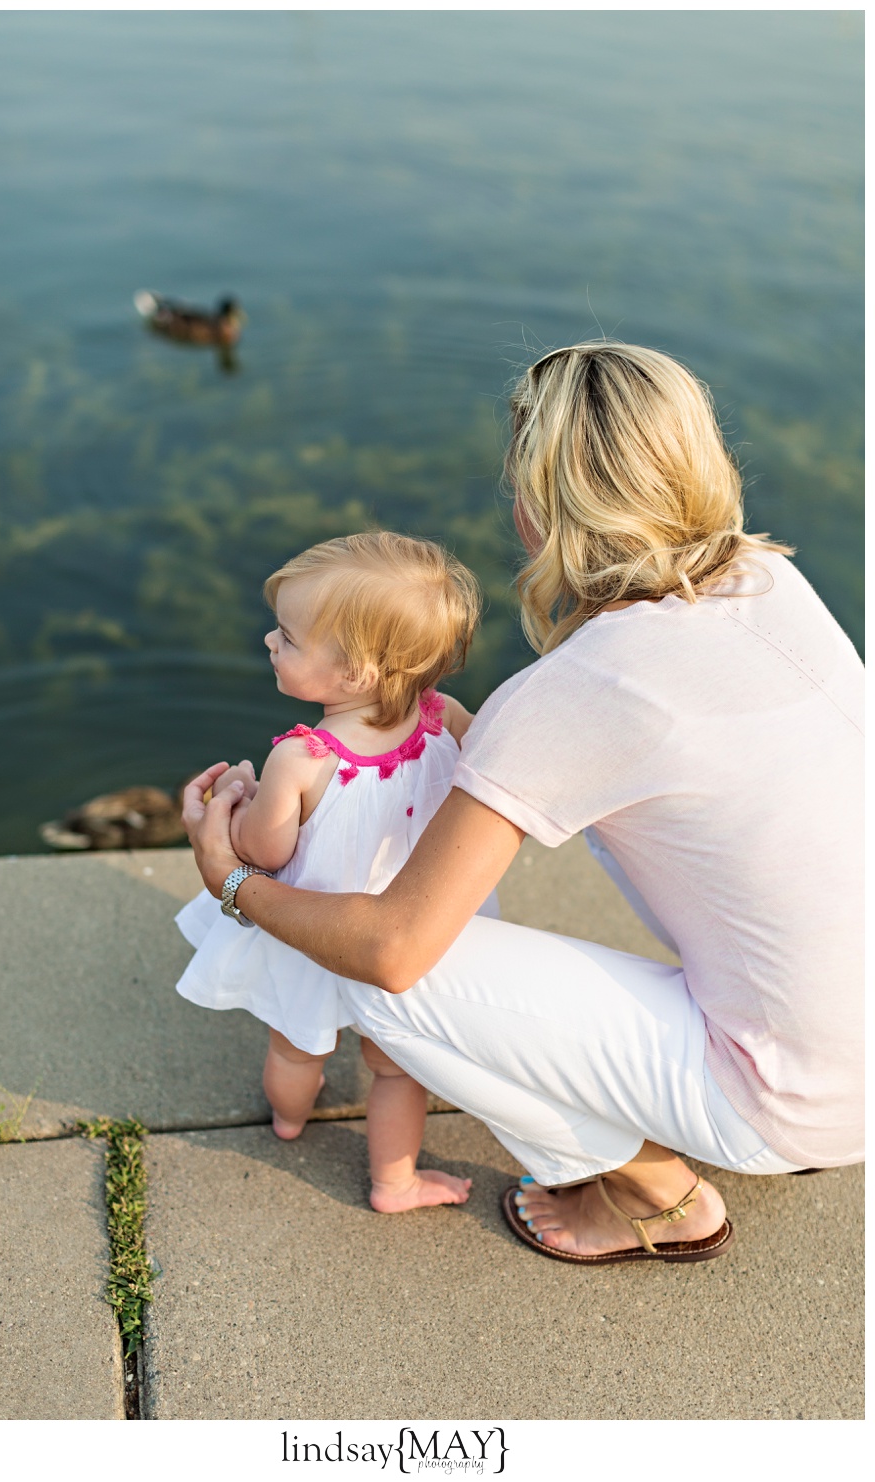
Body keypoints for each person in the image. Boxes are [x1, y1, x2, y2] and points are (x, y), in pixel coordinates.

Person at [182, 341, 863, 1267]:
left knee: (375, 976)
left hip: (796, 1102)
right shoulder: (771, 580)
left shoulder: (580, 690)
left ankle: (659, 1196)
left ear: (540, 511)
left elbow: (391, 949)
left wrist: (232, 884)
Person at [175, 531, 498, 1213]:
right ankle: (395, 1181)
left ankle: (290, 1120)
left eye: (287, 639)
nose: (269, 642)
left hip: (318, 937)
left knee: (295, 1051)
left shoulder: (303, 758)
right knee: (396, 1070)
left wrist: (225, 807)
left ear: (353, 675)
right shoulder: (445, 717)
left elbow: (264, 853)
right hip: (411, 928)